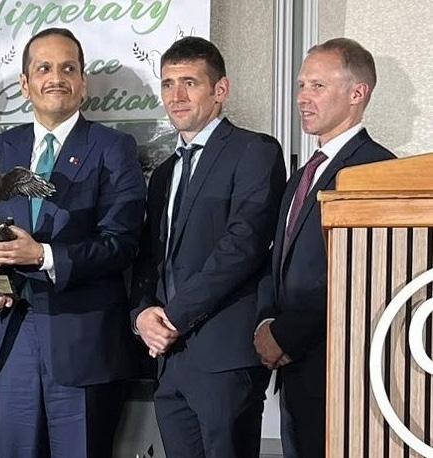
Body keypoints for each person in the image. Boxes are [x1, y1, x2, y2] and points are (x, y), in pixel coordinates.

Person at [0, 28, 146, 458]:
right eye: (44, 68)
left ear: (83, 83)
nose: (56, 78)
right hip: (11, 337)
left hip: (83, 343)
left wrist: (43, 255)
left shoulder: (113, 148)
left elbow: (122, 242)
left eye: (68, 69)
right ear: (24, 83)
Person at [129, 36, 286, 458]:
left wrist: (172, 318)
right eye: (167, 84)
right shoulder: (164, 173)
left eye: (189, 83)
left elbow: (243, 246)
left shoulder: (255, 151)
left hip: (223, 358)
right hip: (168, 360)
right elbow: (149, 257)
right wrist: (142, 314)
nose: (176, 96)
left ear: (220, 90)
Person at [254, 38, 395, 458]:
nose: (302, 97)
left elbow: (364, 277)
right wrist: (265, 323)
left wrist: (285, 335)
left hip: (344, 376)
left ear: (357, 93)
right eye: (301, 85)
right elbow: (278, 260)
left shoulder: (377, 172)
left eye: (317, 86)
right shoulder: (302, 175)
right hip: (295, 375)